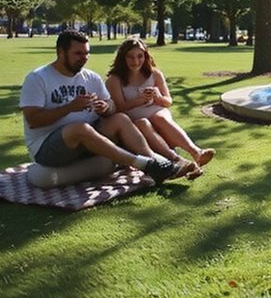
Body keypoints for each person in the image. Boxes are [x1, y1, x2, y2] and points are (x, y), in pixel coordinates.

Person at [20, 30, 192, 184]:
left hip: (88, 142)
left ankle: (157, 161)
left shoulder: (90, 77)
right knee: (79, 128)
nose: (84, 57)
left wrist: (105, 108)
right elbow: (33, 120)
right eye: (78, 53)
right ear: (61, 52)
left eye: (86, 53)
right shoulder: (38, 78)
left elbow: (112, 106)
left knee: (120, 118)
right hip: (48, 147)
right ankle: (144, 164)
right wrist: (69, 108)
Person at [105, 38, 215, 175]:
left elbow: (168, 101)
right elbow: (119, 107)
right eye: (130, 57)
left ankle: (196, 152)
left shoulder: (155, 74)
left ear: (146, 56)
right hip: (136, 123)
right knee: (143, 123)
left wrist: (157, 97)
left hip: (158, 113)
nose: (136, 61)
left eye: (140, 56)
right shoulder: (114, 79)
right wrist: (141, 100)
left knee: (159, 117)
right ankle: (177, 160)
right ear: (123, 58)